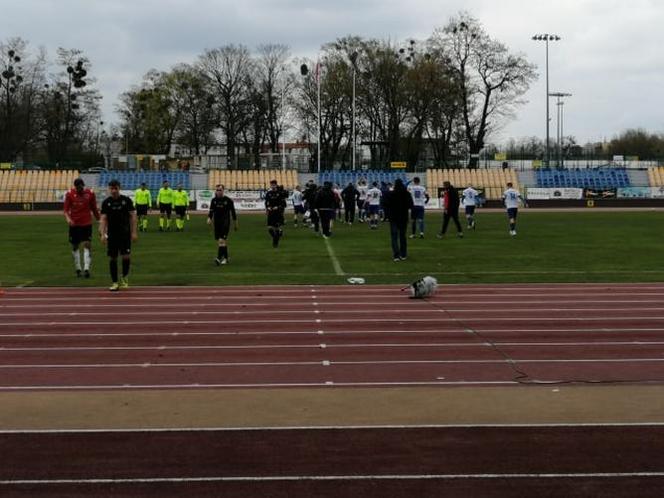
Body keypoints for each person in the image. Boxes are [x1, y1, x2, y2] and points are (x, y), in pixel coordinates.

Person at [99, 179, 137, 291]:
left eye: (116, 188)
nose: (114, 191)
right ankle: (115, 282)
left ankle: (124, 278)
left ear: (119, 188)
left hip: (124, 233)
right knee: (113, 258)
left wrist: (134, 232)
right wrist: (102, 233)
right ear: (109, 189)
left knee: (126, 256)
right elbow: (103, 219)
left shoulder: (126, 200)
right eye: (111, 188)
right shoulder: (106, 202)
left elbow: (133, 217)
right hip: (112, 234)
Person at [63, 178, 100, 278]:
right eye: (78, 187)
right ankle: (78, 268)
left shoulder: (90, 194)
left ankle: (86, 269)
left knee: (87, 245)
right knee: (75, 246)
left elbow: (94, 209)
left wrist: (99, 220)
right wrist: (68, 219)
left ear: (83, 185)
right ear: (75, 187)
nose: (80, 189)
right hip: (74, 225)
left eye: (81, 187)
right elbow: (66, 210)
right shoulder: (70, 194)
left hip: (86, 223)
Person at [383, 178, 414, 262]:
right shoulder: (407, 194)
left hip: (393, 217)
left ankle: (396, 255)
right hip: (403, 217)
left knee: (394, 236)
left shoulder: (391, 194)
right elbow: (411, 205)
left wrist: (388, 213)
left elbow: (385, 204)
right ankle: (403, 254)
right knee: (402, 236)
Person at [207, 184, 238, 265]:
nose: (218, 192)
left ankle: (218, 258)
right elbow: (211, 211)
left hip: (225, 223)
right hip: (216, 223)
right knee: (221, 242)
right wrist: (209, 218)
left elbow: (233, 213)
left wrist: (235, 224)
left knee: (221, 240)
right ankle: (226, 258)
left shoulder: (228, 200)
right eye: (217, 190)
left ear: (223, 191)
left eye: (220, 190)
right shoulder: (213, 200)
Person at [265, 179, 287, 247]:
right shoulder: (268, 193)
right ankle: (275, 238)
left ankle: (275, 243)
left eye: (274, 185)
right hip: (271, 212)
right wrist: (267, 207)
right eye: (271, 185)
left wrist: (277, 207)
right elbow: (266, 202)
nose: (272, 186)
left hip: (277, 212)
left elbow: (283, 204)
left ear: (276, 185)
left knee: (276, 228)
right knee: (269, 228)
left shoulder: (280, 193)